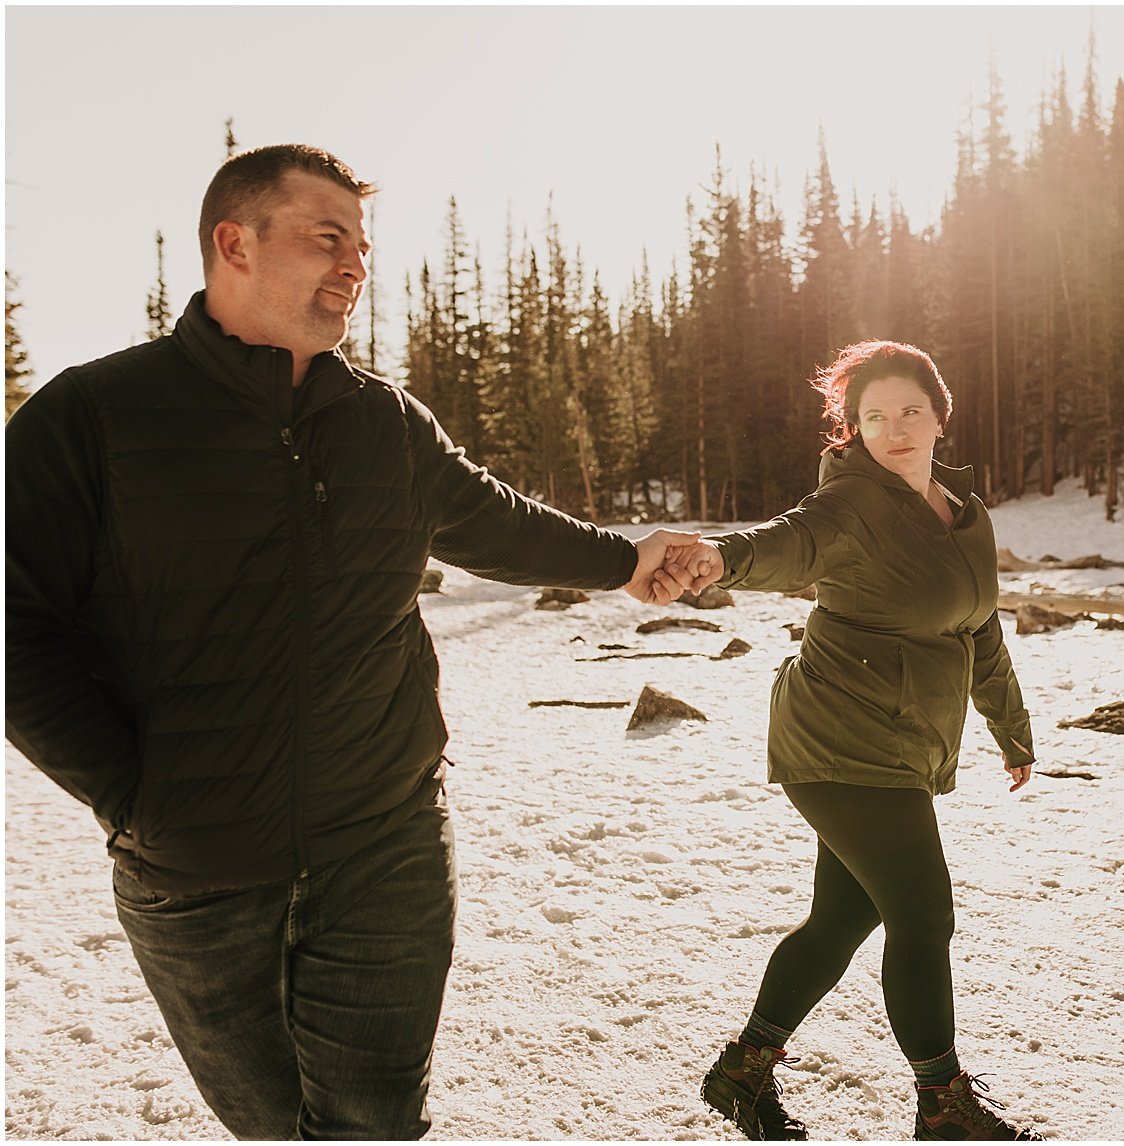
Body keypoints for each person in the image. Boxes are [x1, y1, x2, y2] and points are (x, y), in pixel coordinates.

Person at [4, 143, 697, 1139]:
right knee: (276, 1128)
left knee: (376, 1126)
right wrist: (132, 793)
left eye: (362, 246)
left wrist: (626, 560)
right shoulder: (97, 414)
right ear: (233, 243)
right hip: (197, 872)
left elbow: (492, 521)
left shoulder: (384, 423)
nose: (354, 264)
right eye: (326, 238)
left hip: (387, 845)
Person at [675, 341, 1042, 1141]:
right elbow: (787, 543)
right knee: (923, 915)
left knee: (841, 921)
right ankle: (943, 1107)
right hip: (839, 740)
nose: (894, 428)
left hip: (900, 742)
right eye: (873, 417)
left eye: (909, 409)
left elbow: (980, 629)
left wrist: (1011, 731)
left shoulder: (965, 515)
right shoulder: (852, 506)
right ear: (856, 432)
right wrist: (717, 558)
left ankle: (741, 1072)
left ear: (940, 415)